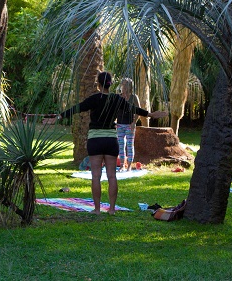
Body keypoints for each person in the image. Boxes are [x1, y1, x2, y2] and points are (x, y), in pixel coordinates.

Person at [43, 71, 168, 214]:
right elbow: (133, 109)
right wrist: (150, 114)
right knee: (111, 176)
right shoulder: (116, 99)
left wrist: (57, 117)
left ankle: (97, 209)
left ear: (98, 83)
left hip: (95, 140)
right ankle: (112, 209)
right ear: (111, 84)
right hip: (110, 141)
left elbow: (76, 108)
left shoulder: (94, 99)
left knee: (96, 176)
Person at [116, 77, 141, 172]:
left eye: (126, 85)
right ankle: (122, 165)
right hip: (119, 125)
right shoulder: (118, 97)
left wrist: (134, 122)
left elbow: (138, 110)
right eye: (122, 84)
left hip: (129, 124)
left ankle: (129, 166)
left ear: (130, 86)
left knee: (130, 145)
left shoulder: (134, 97)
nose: (124, 87)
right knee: (121, 145)